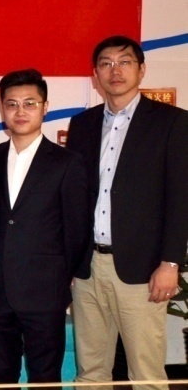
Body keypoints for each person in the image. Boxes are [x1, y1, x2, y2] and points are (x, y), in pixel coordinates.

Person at [67, 36, 188, 384]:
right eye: (106, 63)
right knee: (91, 372)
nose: (115, 70)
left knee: (145, 373)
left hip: (143, 269)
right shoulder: (82, 125)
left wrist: (170, 263)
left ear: (141, 70)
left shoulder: (171, 122)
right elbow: (75, 199)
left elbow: (180, 197)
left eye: (124, 62)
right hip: (89, 269)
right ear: (95, 74)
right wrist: (71, 262)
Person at [0, 69, 90, 383]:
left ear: (45, 108)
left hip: (45, 292)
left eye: (30, 103)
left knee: (45, 377)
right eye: (12, 104)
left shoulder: (66, 162)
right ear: (2, 109)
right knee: (0, 377)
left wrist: (62, 278)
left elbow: (77, 229)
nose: (20, 111)